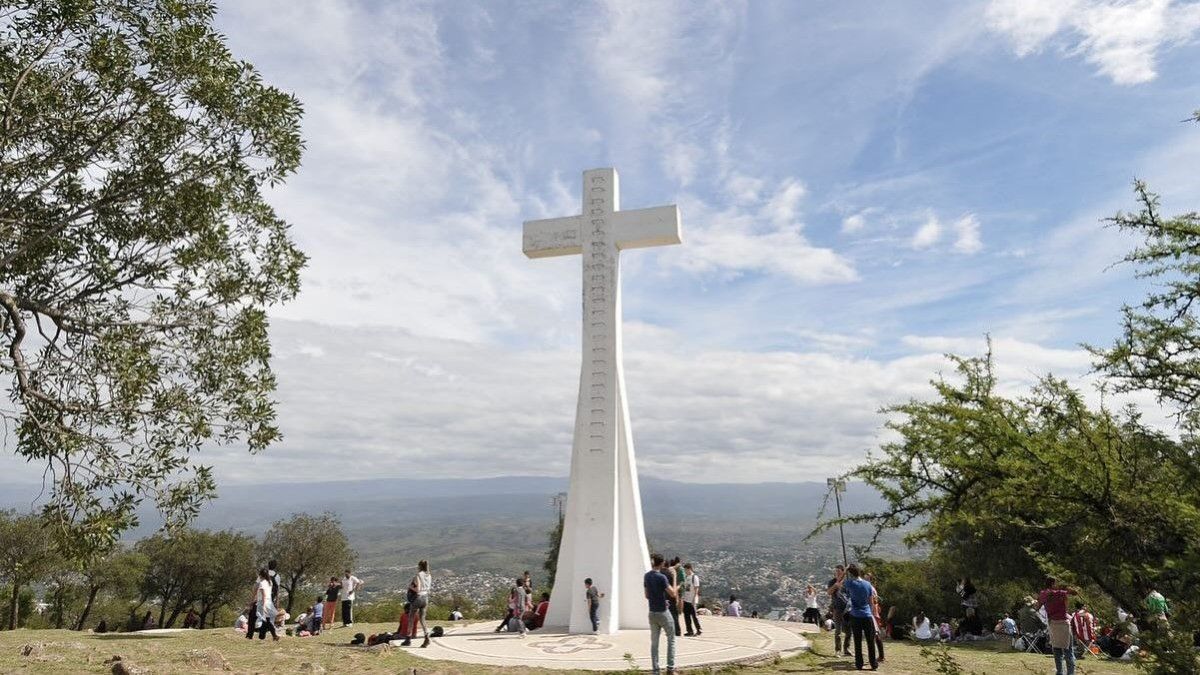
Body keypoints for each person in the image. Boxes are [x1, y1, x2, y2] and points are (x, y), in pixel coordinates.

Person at [645, 553, 677, 675]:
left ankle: (655, 670)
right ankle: (670, 668)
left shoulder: (647, 576)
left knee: (654, 643)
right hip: (663, 612)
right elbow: (673, 593)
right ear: (662, 563)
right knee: (671, 639)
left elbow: (647, 595)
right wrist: (674, 578)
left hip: (652, 612)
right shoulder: (662, 577)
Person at [1037, 577, 1076, 675]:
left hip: (1053, 624)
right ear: (1053, 584)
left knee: (1057, 650)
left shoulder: (1043, 593)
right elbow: (1073, 592)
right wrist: (1066, 588)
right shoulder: (1060, 593)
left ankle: (1059, 672)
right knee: (1068, 651)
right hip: (1063, 623)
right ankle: (1070, 673)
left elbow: (1038, 606)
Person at [843, 564, 878, 671]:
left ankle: (859, 664)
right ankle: (873, 664)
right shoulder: (868, 584)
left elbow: (839, 581)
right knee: (870, 641)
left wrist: (845, 570)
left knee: (857, 641)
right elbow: (871, 602)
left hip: (855, 615)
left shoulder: (850, 583)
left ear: (850, 574)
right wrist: (871, 613)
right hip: (867, 615)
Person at [401, 560, 432, 648]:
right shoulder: (429, 575)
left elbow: (417, 589)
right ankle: (426, 637)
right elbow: (428, 588)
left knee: (411, 618)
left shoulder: (418, 575)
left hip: (418, 598)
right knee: (422, 619)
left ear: (419, 566)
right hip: (425, 598)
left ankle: (408, 639)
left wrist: (410, 586)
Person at [827, 564, 851, 657]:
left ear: (842, 572)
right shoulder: (832, 582)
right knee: (838, 631)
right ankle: (838, 650)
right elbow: (829, 592)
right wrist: (835, 586)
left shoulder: (847, 582)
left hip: (848, 609)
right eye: (835, 571)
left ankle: (846, 649)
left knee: (849, 631)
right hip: (837, 608)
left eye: (838, 571)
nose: (836, 573)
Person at [254, 568, 280, 641]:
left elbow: (264, 595)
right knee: (266, 620)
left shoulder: (262, 583)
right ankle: (263, 636)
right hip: (269, 602)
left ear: (260, 575)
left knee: (265, 620)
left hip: (263, 602)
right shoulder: (270, 582)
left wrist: (264, 605)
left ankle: (273, 635)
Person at [682, 563, 702, 636]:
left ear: (689, 569)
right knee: (686, 616)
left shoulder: (694, 577)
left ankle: (699, 629)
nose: (685, 571)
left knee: (694, 615)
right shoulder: (686, 577)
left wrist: (694, 598)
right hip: (686, 599)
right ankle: (689, 631)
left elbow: (696, 588)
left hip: (692, 600)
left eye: (686, 570)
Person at [670, 557, 685, 636]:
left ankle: (679, 610)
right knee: (680, 598)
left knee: (679, 598)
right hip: (678, 586)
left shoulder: (672, 568)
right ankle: (680, 611)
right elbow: (683, 579)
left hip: (674, 586)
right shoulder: (680, 569)